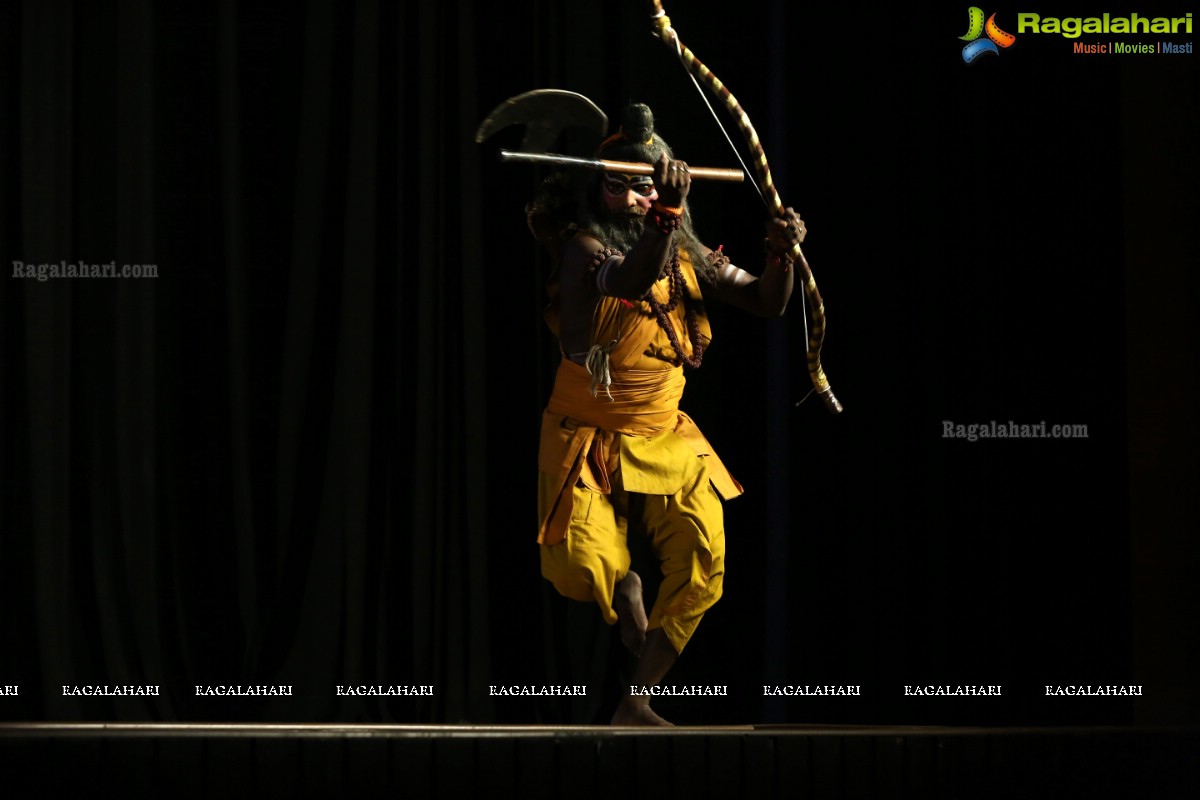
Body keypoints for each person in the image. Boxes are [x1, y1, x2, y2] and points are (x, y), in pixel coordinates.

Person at [529, 102, 805, 726]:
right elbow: (628, 282)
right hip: (587, 432)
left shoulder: (688, 251)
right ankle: (626, 588)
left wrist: (781, 253)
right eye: (618, 183)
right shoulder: (584, 249)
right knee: (584, 566)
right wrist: (666, 213)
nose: (634, 196)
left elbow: (765, 301)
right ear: (595, 188)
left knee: (704, 566)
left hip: (664, 434)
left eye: (645, 183)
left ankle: (636, 699)